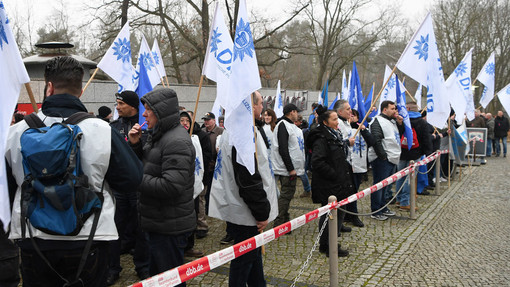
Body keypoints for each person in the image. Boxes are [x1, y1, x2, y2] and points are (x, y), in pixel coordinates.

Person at [5, 56, 143, 286]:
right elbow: (132, 180)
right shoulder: (102, 130)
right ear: (80, 91)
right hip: (89, 237)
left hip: (33, 237)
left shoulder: (15, 132)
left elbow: (6, 190)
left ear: (49, 87)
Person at [209, 91, 278, 286]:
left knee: (252, 256)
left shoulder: (237, 129)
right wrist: (261, 212)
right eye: (259, 104)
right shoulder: (243, 133)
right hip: (246, 211)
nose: (262, 108)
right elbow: (248, 179)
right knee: (243, 260)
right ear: (250, 106)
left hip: (241, 208)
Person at [128, 88, 196, 281]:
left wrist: (135, 178)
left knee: (170, 280)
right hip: (158, 223)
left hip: (169, 228)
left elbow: (171, 186)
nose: (143, 114)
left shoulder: (176, 142)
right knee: (159, 278)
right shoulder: (159, 135)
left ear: (161, 112)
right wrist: (135, 146)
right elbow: (150, 167)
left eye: (148, 109)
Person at [107, 90, 150, 285]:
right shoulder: (112, 127)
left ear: (132, 106)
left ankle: (143, 266)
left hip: (139, 188)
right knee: (113, 229)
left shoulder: (145, 128)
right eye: (117, 103)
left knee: (142, 230)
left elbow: (146, 156)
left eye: (120, 104)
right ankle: (112, 268)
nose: (117, 107)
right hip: (117, 188)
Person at [306, 105, 354, 257]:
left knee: (337, 215)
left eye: (337, 119)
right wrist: (334, 174)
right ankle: (327, 246)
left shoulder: (335, 135)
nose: (337, 122)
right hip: (329, 184)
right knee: (330, 215)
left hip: (339, 182)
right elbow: (317, 162)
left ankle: (330, 242)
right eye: (334, 119)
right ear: (325, 123)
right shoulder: (321, 139)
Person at [271, 103, 306, 228]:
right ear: (292, 112)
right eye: (297, 112)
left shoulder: (292, 126)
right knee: (286, 195)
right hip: (286, 169)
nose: (298, 114)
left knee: (288, 194)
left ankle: (284, 218)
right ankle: (279, 222)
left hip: (291, 168)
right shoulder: (283, 125)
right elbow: (283, 149)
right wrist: (290, 168)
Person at [368, 100, 402, 221]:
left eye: (395, 109)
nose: (395, 111)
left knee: (386, 186)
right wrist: (383, 156)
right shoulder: (377, 121)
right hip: (382, 159)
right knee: (379, 185)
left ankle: (383, 207)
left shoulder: (391, 122)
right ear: (384, 109)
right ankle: (376, 210)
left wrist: (400, 124)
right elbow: (376, 139)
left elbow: (395, 137)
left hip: (391, 158)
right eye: (392, 109)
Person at [395, 102, 432, 211]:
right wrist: (426, 153)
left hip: (401, 152)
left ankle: (399, 199)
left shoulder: (401, 120)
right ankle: (405, 202)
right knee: (409, 179)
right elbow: (426, 139)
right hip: (415, 154)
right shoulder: (421, 122)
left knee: (400, 177)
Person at [179, 111, 206, 258]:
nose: (184, 123)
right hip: (180, 187)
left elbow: (200, 162)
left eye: (187, 121)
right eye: (181, 120)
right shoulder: (174, 139)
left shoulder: (195, 139)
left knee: (193, 217)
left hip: (193, 185)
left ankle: (189, 245)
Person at [346, 109, 375, 227]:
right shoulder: (346, 129)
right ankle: (352, 215)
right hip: (350, 165)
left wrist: (364, 130)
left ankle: (350, 214)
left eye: (354, 115)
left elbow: (372, 142)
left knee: (355, 191)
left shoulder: (362, 129)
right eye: (350, 115)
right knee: (350, 191)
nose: (352, 117)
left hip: (360, 164)